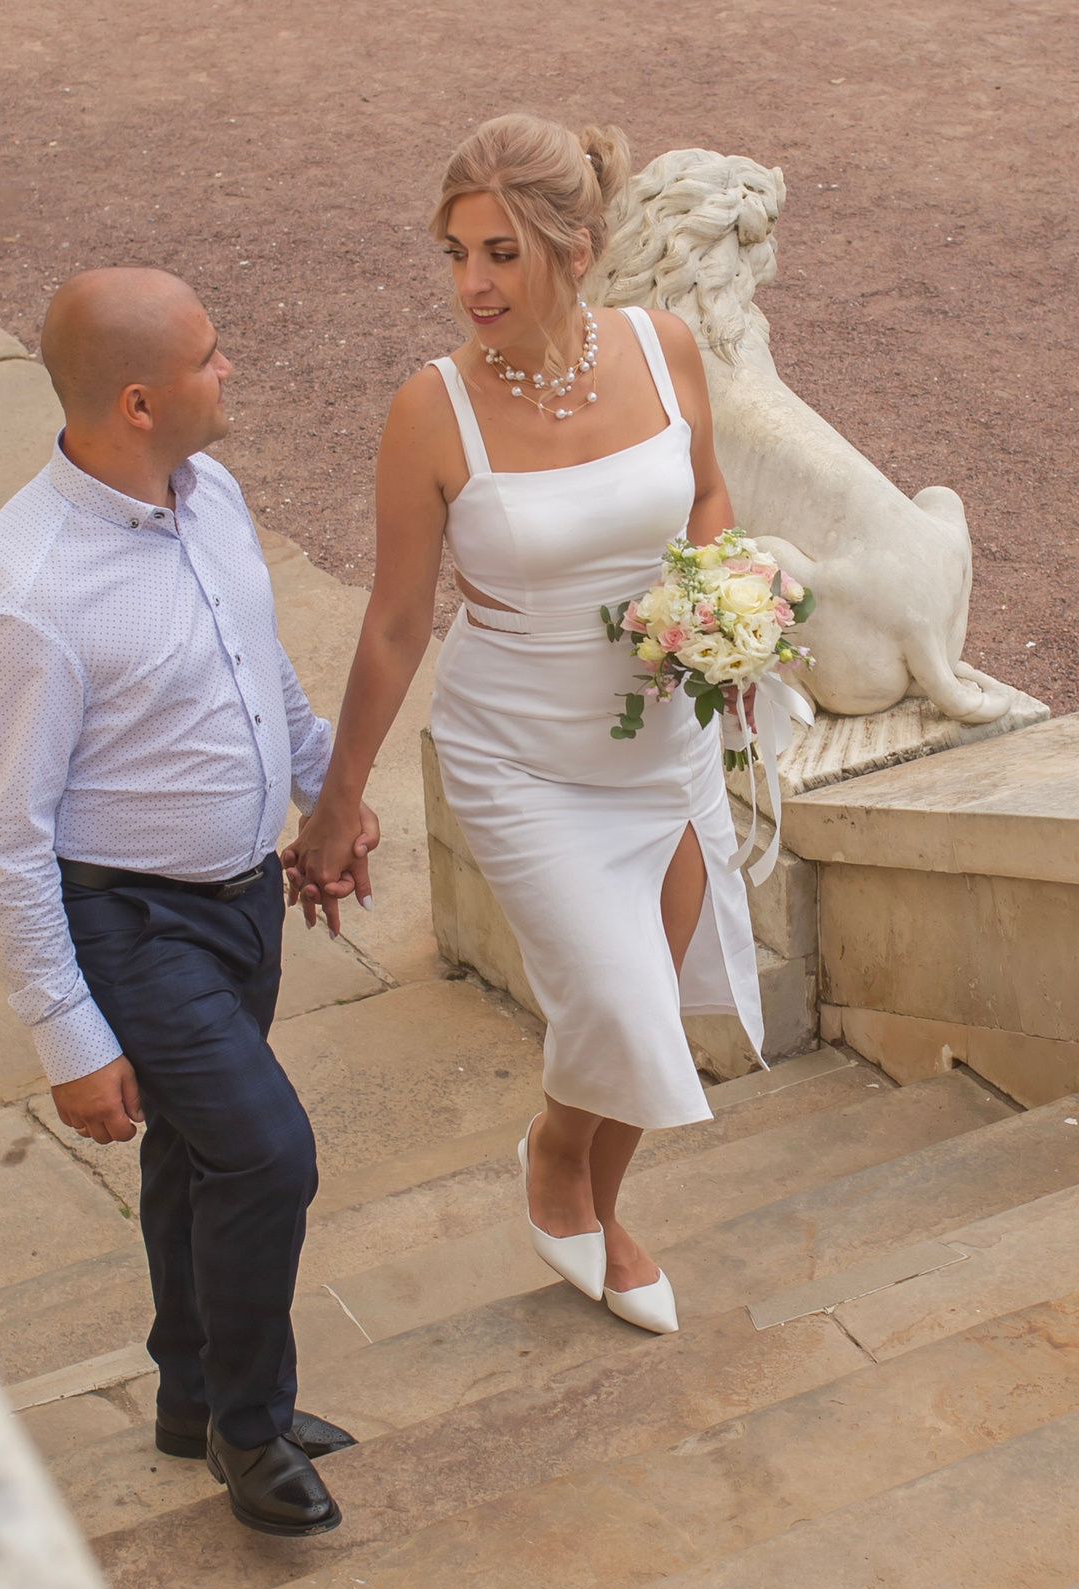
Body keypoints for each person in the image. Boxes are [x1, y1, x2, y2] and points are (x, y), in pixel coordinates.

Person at [290, 115, 764, 1338]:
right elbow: (397, 625)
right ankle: (556, 1155)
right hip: (521, 756)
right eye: (454, 254)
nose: (471, 285)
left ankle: (598, 1206)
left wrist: (721, 609)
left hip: (662, 738)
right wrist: (337, 799)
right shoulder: (429, 410)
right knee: (611, 1000)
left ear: (577, 246)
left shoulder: (663, 351)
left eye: (499, 253)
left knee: (649, 996)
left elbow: (704, 490)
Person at [0, 267, 377, 1538]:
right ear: (138, 400)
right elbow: (6, 846)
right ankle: (251, 1434)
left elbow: (257, 674)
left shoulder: (212, 493)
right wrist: (71, 1041)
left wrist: (324, 798)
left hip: (244, 902)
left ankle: (190, 1396)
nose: (228, 370)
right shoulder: (23, 590)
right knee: (266, 1154)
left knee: (199, 1158)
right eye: (208, 356)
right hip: (130, 923)